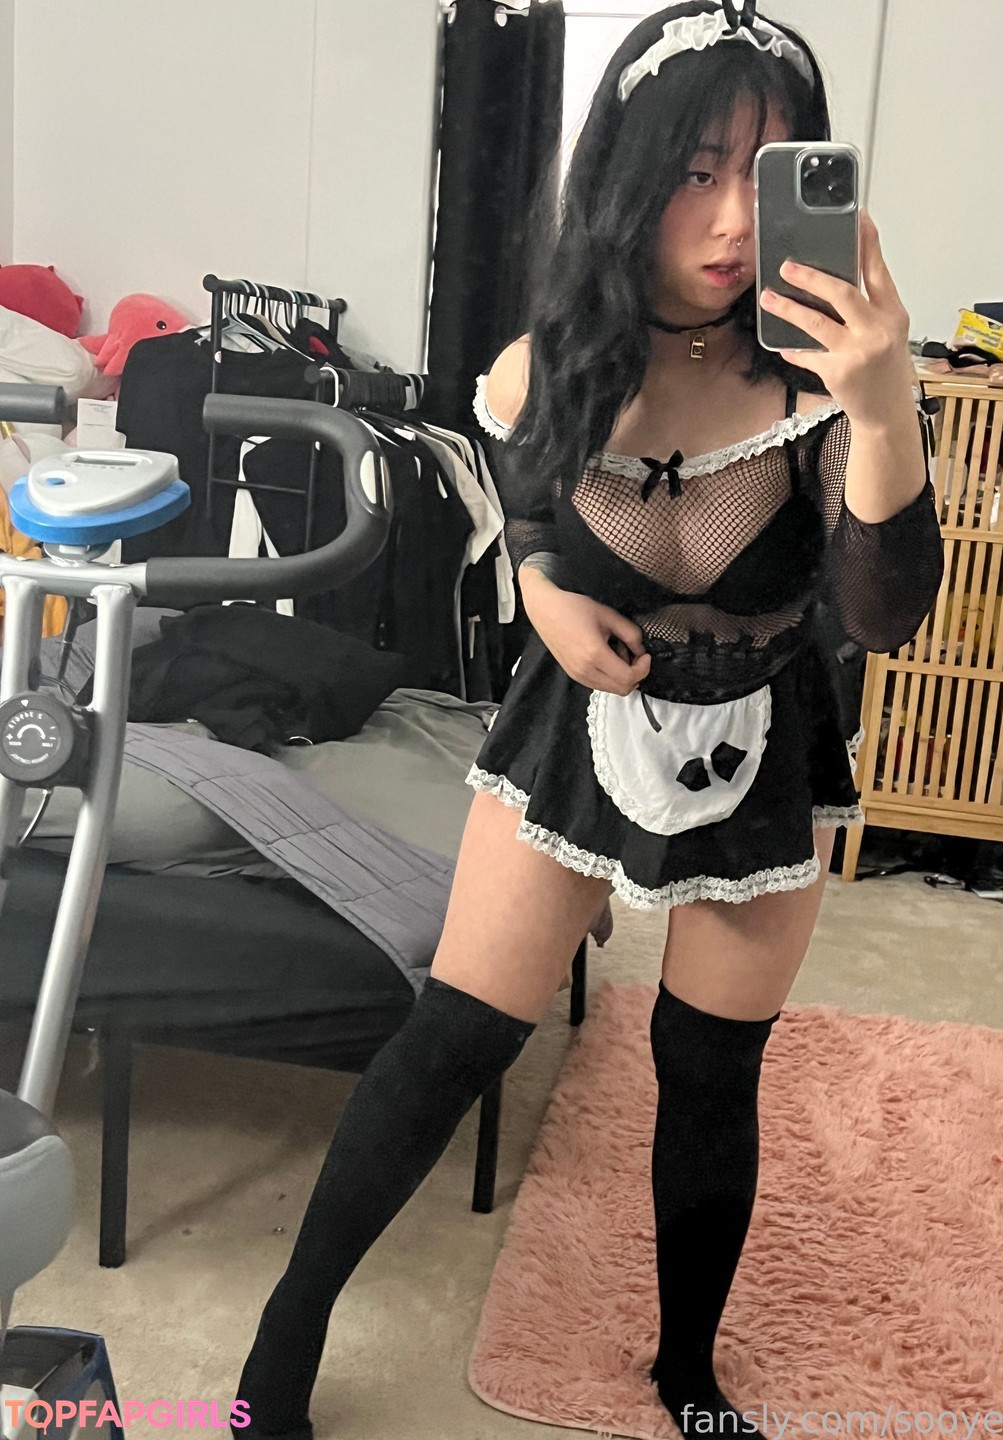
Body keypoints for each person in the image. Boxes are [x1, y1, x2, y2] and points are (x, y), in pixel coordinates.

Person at [231, 3, 944, 1436]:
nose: (736, 219)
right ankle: (279, 1347)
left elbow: (883, 616)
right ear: (625, 174)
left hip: (761, 739)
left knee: (709, 1075)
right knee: (452, 1038)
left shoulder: (826, 386)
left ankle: (688, 1375)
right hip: (577, 729)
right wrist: (547, 594)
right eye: (695, 170)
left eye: (768, 173)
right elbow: (532, 507)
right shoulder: (549, 362)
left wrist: (880, 406)